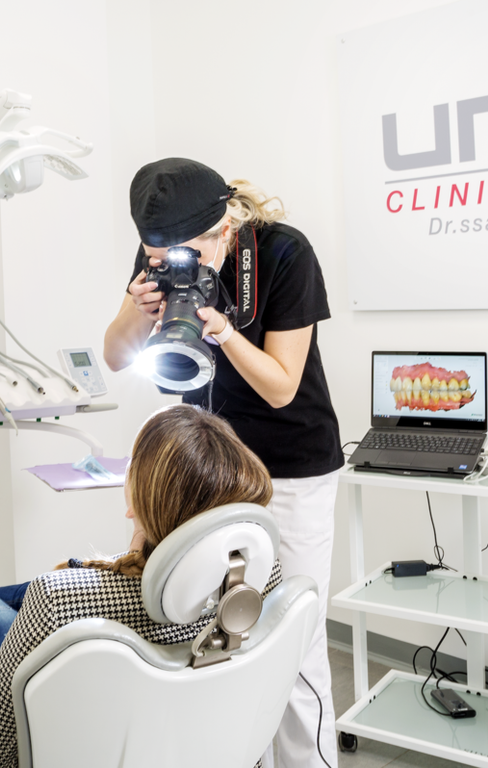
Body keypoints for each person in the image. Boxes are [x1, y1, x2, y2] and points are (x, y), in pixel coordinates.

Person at [104, 158, 343, 768]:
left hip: (291, 467)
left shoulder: (285, 254)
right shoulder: (162, 257)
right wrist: (137, 307)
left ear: (225, 227)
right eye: (157, 256)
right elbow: (116, 356)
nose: (173, 264)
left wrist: (225, 333)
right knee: (212, 636)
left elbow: (281, 387)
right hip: (209, 465)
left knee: (291, 639)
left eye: (187, 254)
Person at [0, 403, 280, 768]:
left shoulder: (60, 599)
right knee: (15, 598)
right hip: (189, 748)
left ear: (133, 503)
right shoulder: (255, 587)